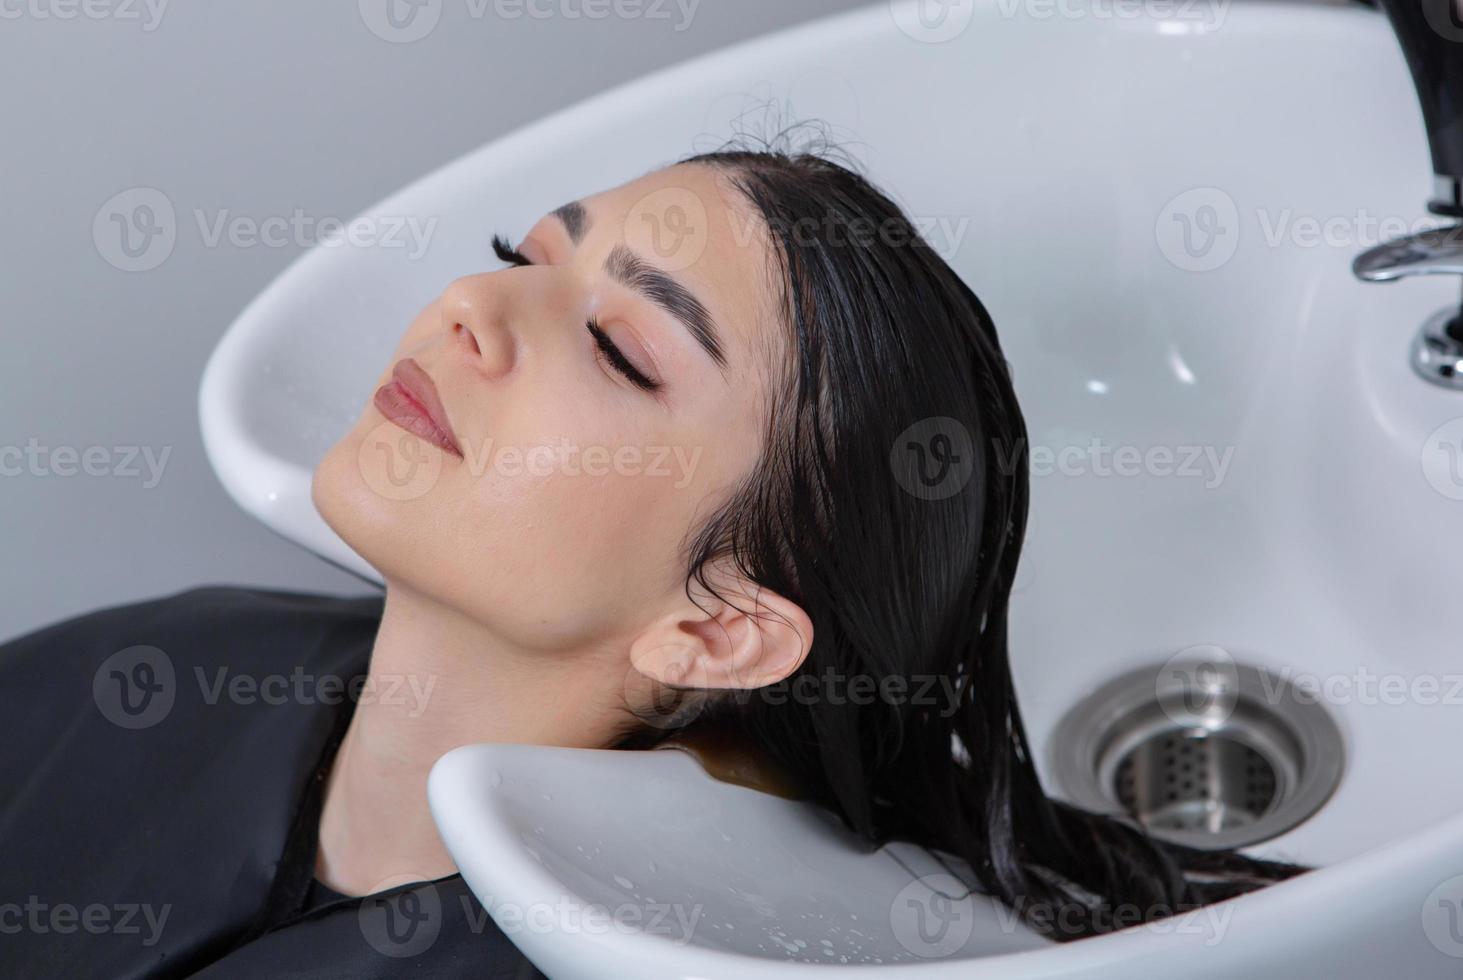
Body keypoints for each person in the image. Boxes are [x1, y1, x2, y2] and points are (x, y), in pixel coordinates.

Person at [0, 141, 1309, 977]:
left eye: (621, 349)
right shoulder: (169, 661)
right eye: (525, 257)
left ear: (717, 629)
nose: (472, 308)